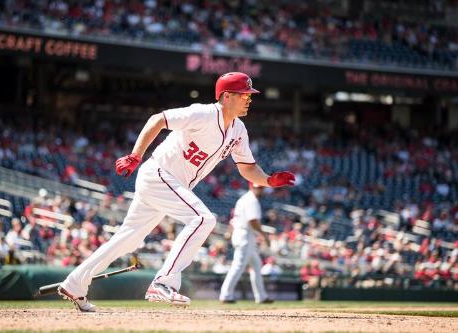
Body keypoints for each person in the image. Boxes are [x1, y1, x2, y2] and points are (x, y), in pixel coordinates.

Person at [57, 72, 295, 312]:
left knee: (128, 239)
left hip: (169, 184)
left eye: (249, 95)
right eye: (244, 94)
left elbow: (247, 167)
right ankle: (163, 282)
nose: (249, 99)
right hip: (159, 175)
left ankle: (75, 283)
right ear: (226, 96)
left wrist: (268, 180)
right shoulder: (202, 113)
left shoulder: (239, 130)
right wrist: (135, 156)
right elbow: (157, 119)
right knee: (203, 218)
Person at [219, 182, 273, 304]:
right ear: (251, 186)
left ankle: (261, 296)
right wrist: (264, 236)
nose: (259, 190)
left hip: (242, 233)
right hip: (245, 235)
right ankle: (226, 295)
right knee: (238, 266)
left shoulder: (243, 199)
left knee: (257, 265)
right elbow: (253, 221)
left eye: (260, 188)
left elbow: (234, 219)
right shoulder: (251, 200)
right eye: (257, 187)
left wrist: (230, 231)